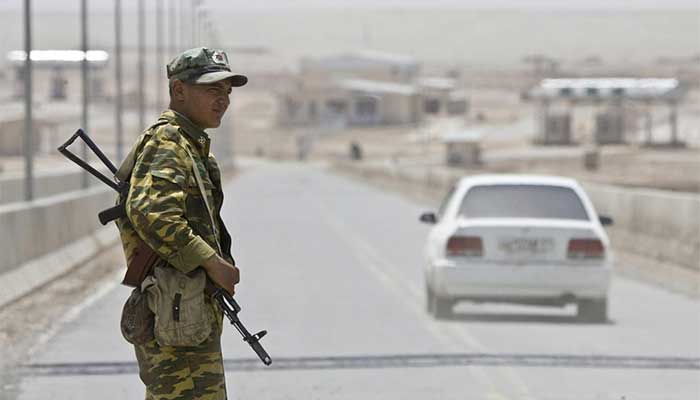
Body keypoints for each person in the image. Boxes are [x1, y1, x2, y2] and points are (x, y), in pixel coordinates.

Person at [115, 47, 246, 400]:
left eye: (226, 92)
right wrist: (212, 263)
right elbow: (153, 213)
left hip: (185, 310)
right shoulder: (168, 141)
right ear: (178, 90)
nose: (222, 100)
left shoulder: (189, 144)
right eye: (211, 90)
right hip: (173, 309)